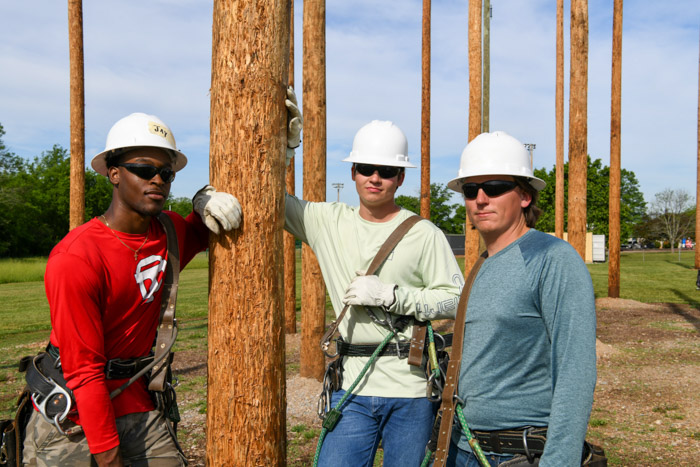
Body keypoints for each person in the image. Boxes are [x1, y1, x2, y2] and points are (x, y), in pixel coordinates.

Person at [22, 111, 244, 467]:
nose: (157, 179)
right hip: (75, 417)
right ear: (113, 173)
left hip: (137, 404)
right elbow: (84, 370)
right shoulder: (77, 257)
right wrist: (108, 457)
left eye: (166, 173)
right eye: (143, 169)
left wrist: (205, 200)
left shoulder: (169, 233)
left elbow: (222, 219)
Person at [284, 120, 463, 466]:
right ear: (353, 172)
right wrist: (284, 150)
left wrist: (393, 296)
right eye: (366, 168)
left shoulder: (423, 234)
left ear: (401, 177)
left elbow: (456, 299)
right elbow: (265, 197)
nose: (375, 177)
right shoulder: (327, 222)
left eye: (387, 170)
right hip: (351, 386)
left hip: (411, 389)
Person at [444, 131, 597, 466]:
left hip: (518, 454)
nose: (481, 199)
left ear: (525, 197)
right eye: (471, 190)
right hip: (465, 448)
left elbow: (576, 369)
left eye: (495, 187)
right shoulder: (481, 265)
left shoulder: (553, 258)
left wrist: (559, 461)